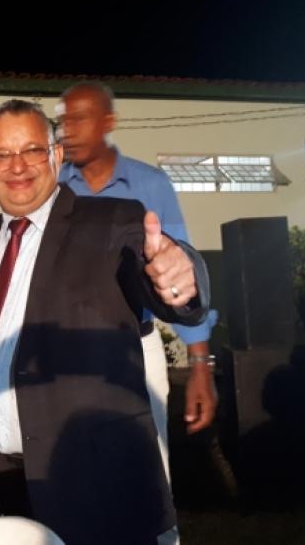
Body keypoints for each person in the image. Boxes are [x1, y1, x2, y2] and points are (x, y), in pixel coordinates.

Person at [0, 99, 210, 545]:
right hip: (6, 478)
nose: (17, 166)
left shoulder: (112, 222)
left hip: (96, 486)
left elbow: (153, 264)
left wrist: (179, 279)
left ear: (56, 156)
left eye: (32, 150)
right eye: (2, 155)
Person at [55, 83, 216, 540]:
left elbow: (183, 279)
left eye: (80, 118)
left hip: (136, 350)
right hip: (67, 353)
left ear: (108, 122)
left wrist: (200, 365)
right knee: (74, 478)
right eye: (63, 120)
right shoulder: (53, 186)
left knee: (149, 474)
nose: (68, 130)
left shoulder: (151, 185)